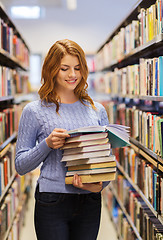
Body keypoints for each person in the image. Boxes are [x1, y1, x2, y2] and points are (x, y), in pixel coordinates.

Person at [15, 39, 110, 240]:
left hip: (90, 202)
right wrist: (46, 145)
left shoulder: (97, 110)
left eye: (77, 68)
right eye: (64, 68)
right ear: (52, 69)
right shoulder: (34, 111)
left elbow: (107, 163)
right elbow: (21, 166)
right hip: (52, 201)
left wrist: (99, 185)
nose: (73, 75)